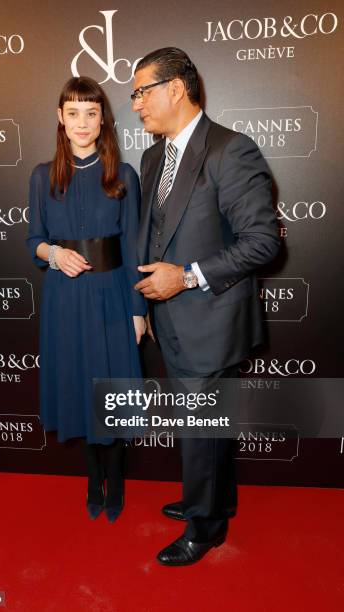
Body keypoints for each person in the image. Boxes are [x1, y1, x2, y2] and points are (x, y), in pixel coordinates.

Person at [132, 48, 280, 565]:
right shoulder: (153, 157)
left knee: (202, 426)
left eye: (142, 91)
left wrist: (188, 277)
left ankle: (206, 527)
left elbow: (263, 242)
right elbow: (152, 235)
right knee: (201, 427)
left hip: (212, 319)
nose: (136, 105)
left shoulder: (231, 150)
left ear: (176, 88)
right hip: (168, 317)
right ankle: (213, 500)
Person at [27, 76, 146, 523]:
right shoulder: (43, 176)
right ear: (60, 118)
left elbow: (135, 249)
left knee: (111, 390)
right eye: (73, 113)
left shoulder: (124, 175)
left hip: (114, 294)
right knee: (79, 387)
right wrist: (55, 254)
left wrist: (139, 311)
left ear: (102, 120)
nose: (82, 122)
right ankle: (91, 480)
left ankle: (114, 482)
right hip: (64, 299)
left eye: (91, 113)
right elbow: (34, 240)